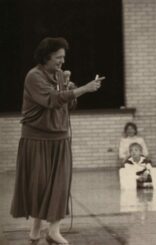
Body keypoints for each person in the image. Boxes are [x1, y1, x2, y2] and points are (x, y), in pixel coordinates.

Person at [10, 37, 105, 244]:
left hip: (60, 137)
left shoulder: (61, 75)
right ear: (46, 57)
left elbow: (66, 105)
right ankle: (35, 230)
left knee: (59, 186)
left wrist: (71, 91)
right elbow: (52, 100)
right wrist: (83, 89)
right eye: (58, 58)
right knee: (39, 186)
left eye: (63, 57)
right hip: (36, 139)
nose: (62, 61)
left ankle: (53, 231)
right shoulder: (33, 76)